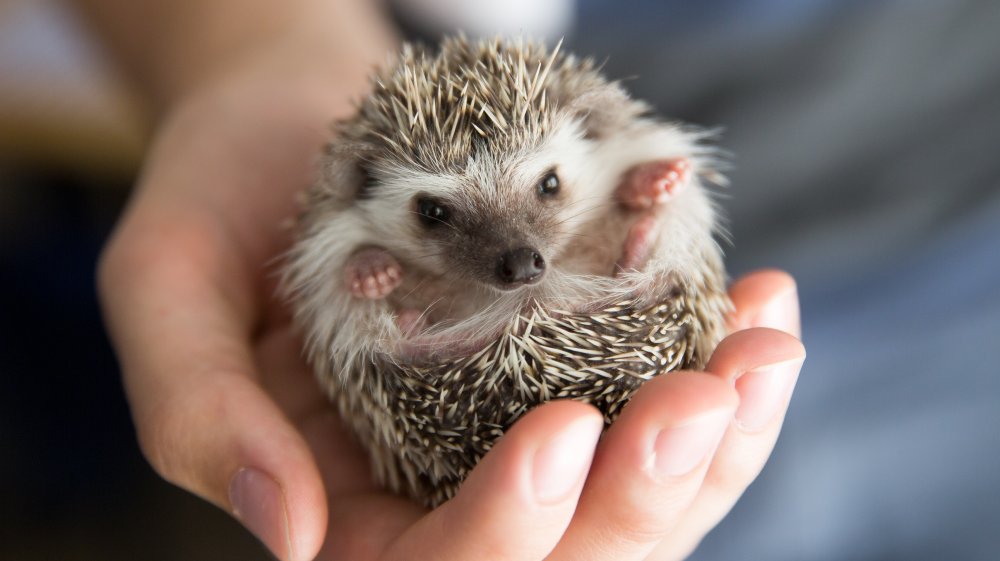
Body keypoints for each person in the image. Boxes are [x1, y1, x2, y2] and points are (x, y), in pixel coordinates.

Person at [86, 0, 805, 559]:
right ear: (364, 194)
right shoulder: (350, 233)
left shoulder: (611, 146)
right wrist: (256, 44)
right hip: (468, 342)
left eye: (546, 188)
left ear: (587, 139)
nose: (514, 255)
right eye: (436, 213)